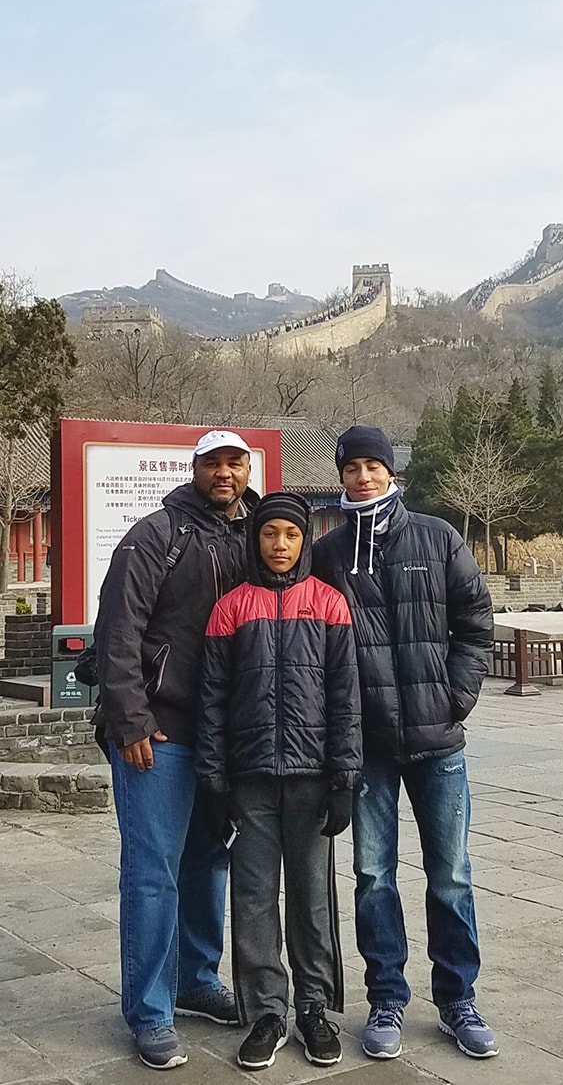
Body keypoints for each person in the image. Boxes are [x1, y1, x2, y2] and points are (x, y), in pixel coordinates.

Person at [312, 425, 499, 1060]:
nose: (363, 477)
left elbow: (476, 624)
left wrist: (455, 697)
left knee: (451, 876)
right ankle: (386, 998)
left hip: (438, 740)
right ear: (340, 475)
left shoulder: (437, 537)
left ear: (391, 471)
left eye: (373, 466)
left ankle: (457, 999)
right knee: (372, 876)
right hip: (367, 744)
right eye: (352, 467)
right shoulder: (331, 551)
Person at [94, 430, 259, 1070]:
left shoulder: (255, 535)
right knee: (152, 872)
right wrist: (130, 719)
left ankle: (196, 977)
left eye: (234, 462)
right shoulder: (155, 535)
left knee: (206, 862)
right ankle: (151, 1010)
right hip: (157, 734)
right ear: (193, 468)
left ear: (248, 469)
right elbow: (119, 632)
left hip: (223, 734)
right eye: (213, 462)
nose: (224, 473)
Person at [196, 492, 362, 1071]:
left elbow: (346, 698)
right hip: (250, 780)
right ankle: (266, 1011)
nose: (281, 545)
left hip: (314, 779)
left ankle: (314, 1007)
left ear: (305, 540)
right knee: (253, 898)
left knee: (313, 900)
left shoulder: (330, 605)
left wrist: (345, 777)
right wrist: (214, 781)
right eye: (270, 535)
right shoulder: (231, 607)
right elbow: (212, 701)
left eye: (291, 535)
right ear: (256, 540)